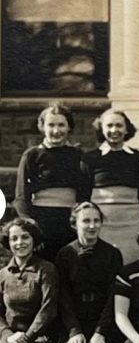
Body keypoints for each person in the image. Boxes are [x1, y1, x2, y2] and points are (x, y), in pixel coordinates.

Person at [56, 203, 123, 343]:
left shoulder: (112, 254)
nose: (92, 226)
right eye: (86, 221)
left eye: (96, 221)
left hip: (102, 322)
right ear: (74, 224)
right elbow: (63, 297)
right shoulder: (65, 254)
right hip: (75, 321)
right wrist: (74, 331)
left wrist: (100, 332)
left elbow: (113, 297)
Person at [14, 103, 87, 261]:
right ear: (42, 127)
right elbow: (21, 196)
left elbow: (84, 193)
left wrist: (80, 221)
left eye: (61, 125)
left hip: (70, 222)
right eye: (51, 125)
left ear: (69, 127)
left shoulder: (78, 155)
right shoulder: (32, 155)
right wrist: (31, 226)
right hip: (42, 222)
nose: (56, 130)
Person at [81, 108, 139, 264]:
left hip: (132, 223)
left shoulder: (137, 157)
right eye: (109, 126)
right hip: (102, 224)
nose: (114, 130)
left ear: (126, 129)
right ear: (101, 129)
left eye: (119, 126)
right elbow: (83, 193)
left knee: (131, 263)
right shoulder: (90, 158)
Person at [0, 218, 59, 343]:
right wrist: (7, 336)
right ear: (8, 242)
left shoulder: (46, 270)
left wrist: (25, 339)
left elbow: (48, 310)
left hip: (38, 340)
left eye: (25, 237)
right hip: (10, 339)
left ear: (34, 239)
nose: (20, 243)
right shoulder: (3, 274)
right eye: (14, 238)